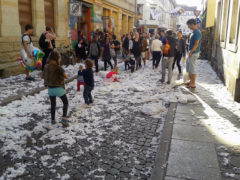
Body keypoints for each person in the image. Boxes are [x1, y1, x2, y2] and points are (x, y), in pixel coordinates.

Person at [41, 51, 69, 126]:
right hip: (59, 89)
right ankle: (64, 119)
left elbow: (42, 76)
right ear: (57, 58)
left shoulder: (46, 66)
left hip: (50, 89)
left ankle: (53, 120)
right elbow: (66, 77)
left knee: (53, 104)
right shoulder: (59, 68)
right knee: (65, 102)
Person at [186, 19, 202, 88]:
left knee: (192, 68)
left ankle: (193, 83)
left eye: (188, 25)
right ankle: (191, 81)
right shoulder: (194, 32)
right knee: (189, 68)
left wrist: (191, 52)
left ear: (192, 24)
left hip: (194, 53)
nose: (188, 27)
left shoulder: (197, 32)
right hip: (191, 52)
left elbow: (196, 44)